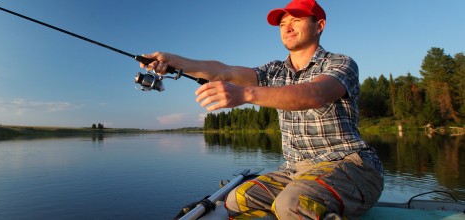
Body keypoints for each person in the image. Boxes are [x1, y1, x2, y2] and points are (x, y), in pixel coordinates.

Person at [140, 0, 383, 219]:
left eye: (295, 20)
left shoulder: (340, 63)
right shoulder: (273, 71)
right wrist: (174, 61)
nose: (287, 27)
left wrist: (244, 94)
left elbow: (315, 94)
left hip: (352, 166)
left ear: (319, 25)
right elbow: (224, 71)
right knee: (237, 199)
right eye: (282, 23)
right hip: (294, 171)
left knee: (293, 203)